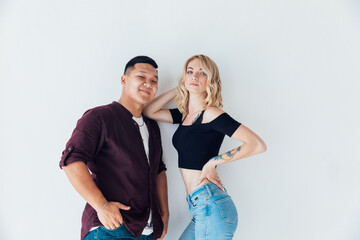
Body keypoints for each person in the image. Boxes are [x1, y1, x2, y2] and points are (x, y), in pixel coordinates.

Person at [143, 54, 266, 239]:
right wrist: (180, 88)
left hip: (211, 204)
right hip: (200, 206)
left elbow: (257, 145)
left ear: (210, 80)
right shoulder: (185, 115)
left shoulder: (211, 114)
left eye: (202, 73)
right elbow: (149, 111)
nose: (194, 76)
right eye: (190, 72)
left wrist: (213, 162)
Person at [59, 56, 169, 240]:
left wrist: (164, 215)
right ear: (123, 80)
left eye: (154, 81)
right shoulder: (99, 117)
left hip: (147, 232)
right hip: (110, 229)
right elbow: (71, 161)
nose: (148, 84)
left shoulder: (152, 126)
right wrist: (101, 206)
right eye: (141, 77)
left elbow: (159, 170)